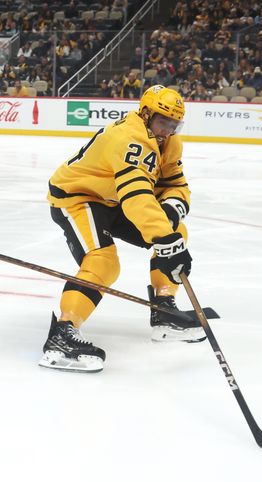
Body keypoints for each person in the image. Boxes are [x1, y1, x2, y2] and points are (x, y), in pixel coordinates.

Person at [41, 85, 201, 373]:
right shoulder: (129, 136)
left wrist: (169, 216)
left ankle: (164, 310)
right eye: (163, 122)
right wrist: (164, 238)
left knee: (176, 229)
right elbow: (137, 194)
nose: (167, 130)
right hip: (78, 197)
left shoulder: (169, 142)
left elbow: (175, 185)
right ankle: (62, 335)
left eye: (174, 124)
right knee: (103, 261)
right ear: (146, 113)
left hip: (113, 198)